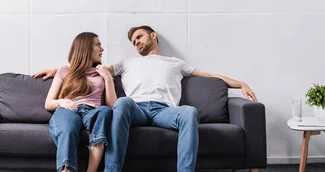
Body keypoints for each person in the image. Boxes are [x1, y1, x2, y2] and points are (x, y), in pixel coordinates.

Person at [35, 26, 257, 172]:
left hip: (165, 111)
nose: (136, 43)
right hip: (136, 109)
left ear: (153, 36)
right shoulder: (126, 63)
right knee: (121, 103)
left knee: (189, 112)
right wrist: (57, 70)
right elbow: (86, 68)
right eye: (133, 41)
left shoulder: (175, 62)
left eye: (139, 37)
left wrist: (239, 83)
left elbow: (209, 76)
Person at [44, 32, 117, 172]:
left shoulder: (102, 72)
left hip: (93, 111)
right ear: (85, 48)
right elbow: (48, 103)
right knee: (68, 129)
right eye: (98, 45)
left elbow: (112, 106)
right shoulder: (65, 70)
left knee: (105, 111)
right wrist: (61, 101)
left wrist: (108, 78)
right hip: (69, 109)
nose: (102, 49)